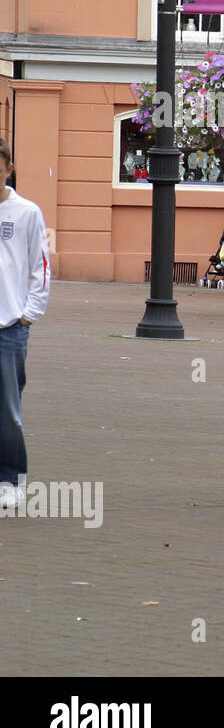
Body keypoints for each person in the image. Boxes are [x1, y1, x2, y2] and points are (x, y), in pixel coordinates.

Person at [0, 139, 50, 510]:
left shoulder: (27, 212)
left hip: (9, 326)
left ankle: (11, 478)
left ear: (8, 168)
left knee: (8, 409)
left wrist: (29, 313)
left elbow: (40, 267)